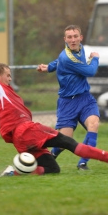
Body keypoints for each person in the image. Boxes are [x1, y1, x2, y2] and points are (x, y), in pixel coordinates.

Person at [0, 27, 108, 176]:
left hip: (19, 140)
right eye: (7, 75)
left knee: (53, 169)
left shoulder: (6, 91)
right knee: (68, 141)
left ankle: (14, 173)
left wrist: (49, 67)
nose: (10, 77)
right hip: (25, 130)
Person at [37, 25, 100, 170]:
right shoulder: (67, 57)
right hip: (67, 102)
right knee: (66, 140)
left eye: (75, 36)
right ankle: (50, 156)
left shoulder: (80, 49)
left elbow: (58, 62)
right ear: (65, 39)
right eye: (69, 37)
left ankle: (83, 163)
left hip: (85, 98)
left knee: (94, 125)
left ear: (80, 38)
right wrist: (96, 58)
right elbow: (90, 71)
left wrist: (49, 67)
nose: (73, 40)